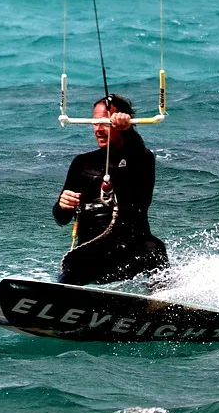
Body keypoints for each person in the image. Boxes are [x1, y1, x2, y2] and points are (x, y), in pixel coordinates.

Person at [53, 93, 169, 285]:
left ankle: (161, 306)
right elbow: (61, 218)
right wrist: (62, 205)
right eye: (94, 123)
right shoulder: (82, 163)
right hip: (94, 254)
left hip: (131, 253)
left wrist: (129, 130)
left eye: (105, 123)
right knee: (73, 263)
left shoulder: (141, 159)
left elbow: (137, 153)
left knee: (155, 249)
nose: (98, 129)